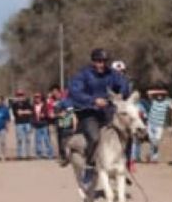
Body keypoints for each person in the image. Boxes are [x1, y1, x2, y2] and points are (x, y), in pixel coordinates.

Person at [68, 48, 130, 182]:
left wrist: (122, 93)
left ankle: (122, 165)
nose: (101, 64)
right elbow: (75, 91)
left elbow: (123, 83)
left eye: (103, 61)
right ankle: (90, 166)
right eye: (98, 61)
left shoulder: (112, 74)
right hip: (88, 112)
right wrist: (93, 100)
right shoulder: (83, 75)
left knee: (125, 133)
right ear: (93, 61)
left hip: (108, 111)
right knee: (95, 137)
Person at [145, 88, 171, 163]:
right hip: (150, 124)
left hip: (159, 125)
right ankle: (154, 158)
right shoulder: (153, 101)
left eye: (161, 95)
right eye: (158, 95)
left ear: (164, 96)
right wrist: (159, 91)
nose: (159, 96)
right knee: (152, 141)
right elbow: (148, 92)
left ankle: (150, 155)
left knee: (156, 141)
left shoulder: (167, 102)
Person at [10, 90, 33, 160]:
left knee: (28, 139)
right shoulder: (14, 105)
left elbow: (30, 112)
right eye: (18, 96)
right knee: (19, 139)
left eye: (21, 95)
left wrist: (22, 112)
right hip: (19, 124)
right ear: (17, 97)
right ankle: (19, 155)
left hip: (27, 123)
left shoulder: (28, 103)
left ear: (24, 96)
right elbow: (17, 113)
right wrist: (25, 111)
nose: (20, 97)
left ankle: (28, 155)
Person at [32, 93, 54, 159]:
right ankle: (39, 154)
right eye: (36, 97)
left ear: (41, 98)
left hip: (44, 125)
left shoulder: (45, 105)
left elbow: (49, 114)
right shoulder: (33, 106)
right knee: (38, 141)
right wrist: (33, 123)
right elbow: (32, 116)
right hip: (37, 126)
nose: (37, 99)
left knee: (47, 140)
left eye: (38, 97)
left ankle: (50, 154)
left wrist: (45, 115)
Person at [55, 101, 77, 165]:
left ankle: (67, 158)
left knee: (67, 144)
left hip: (68, 129)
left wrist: (74, 127)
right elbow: (61, 123)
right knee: (64, 145)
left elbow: (74, 119)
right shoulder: (63, 113)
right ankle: (66, 157)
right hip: (64, 130)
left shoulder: (70, 113)